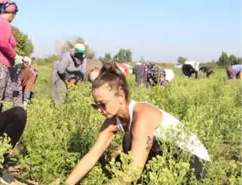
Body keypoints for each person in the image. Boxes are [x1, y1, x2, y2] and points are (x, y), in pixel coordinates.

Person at [65, 63, 210, 185]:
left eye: (103, 104)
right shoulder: (111, 122)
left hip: (193, 163)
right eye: (96, 105)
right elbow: (92, 156)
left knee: (130, 139)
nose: (100, 110)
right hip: (168, 161)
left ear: (121, 96)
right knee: (128, 140)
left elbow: (132, 172)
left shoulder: (142, 115)